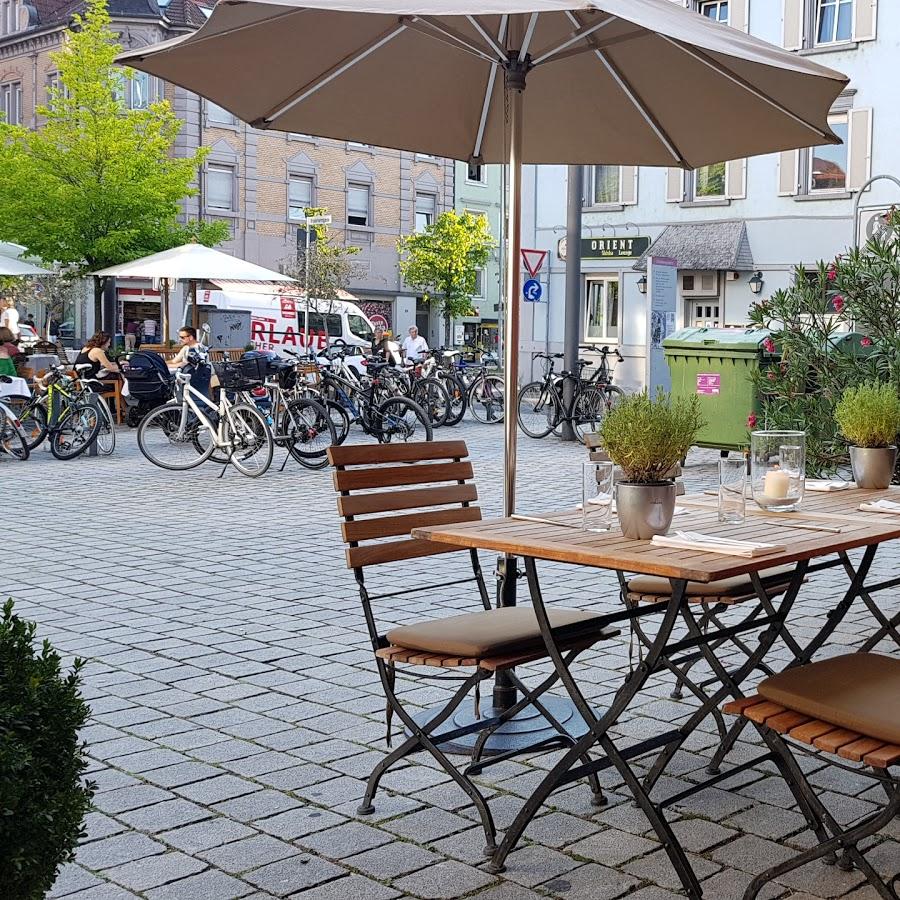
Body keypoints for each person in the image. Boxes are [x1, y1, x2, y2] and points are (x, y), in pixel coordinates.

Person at [168, 326, 211, 398]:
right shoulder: (186, 347)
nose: (179, 339)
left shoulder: (198, 348)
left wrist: (165, 366)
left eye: (182, 337)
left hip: (195, 378)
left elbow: (185, 364)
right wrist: (160, 362)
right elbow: (174, 361)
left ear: (190, 337)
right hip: (187, 376)